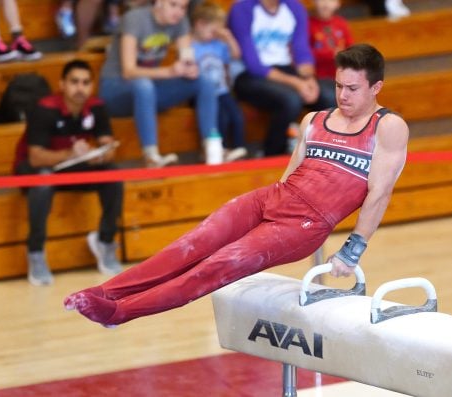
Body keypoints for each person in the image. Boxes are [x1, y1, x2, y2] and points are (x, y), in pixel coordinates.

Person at [64, 44, 409, 327]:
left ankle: (121, 313)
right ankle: (106, 292)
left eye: (352, 89)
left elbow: (379, 193)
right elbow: (290, 176)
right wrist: (272, 204)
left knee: (216, 266)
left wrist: (352, 251)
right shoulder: (314, 120)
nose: (342, 95)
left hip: (304, 224)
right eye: (337, 86)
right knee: (191, 245)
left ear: (376, 86)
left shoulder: (387, 127)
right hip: (273, 199)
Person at [13, 59, 124, 286]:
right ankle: (36, 252)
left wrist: (99, 154)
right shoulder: (44, 109)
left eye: (85, 82)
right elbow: (36, 157)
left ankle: (105, 242)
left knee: (113, 175)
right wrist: (71, 154)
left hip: (73, 166)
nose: (80, 88)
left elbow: (109, 147)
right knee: (43, 182)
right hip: (36, 168)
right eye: (74, 82)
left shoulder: (96, 107)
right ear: (62, 84)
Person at [98, 0, 221, 167]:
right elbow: (129, 71)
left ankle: (212, 148)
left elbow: (187, 57)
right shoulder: (134, 19)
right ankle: (151, 156)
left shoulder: (180, 22)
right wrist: (170, 72)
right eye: (173, 5)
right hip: (115, 91)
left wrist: (190, 68)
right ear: (159, 3)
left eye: (183, 7)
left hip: (148, 91)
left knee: (204, 80)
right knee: (143, 85)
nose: (178, 12)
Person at [228, 0, 336, 157]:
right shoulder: (242, 9)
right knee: (291, 100)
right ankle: (271, 153)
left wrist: (309, 80)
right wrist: (297, 83)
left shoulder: (295, 8)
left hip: (286, 70)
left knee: (329, 94)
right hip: (248, 76)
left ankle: (321, 154)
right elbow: (253, 64)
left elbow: (302, 51)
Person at [190, 2, 247, 162]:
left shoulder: (218, 44)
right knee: (220, 118)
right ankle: (219, 150)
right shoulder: (190, 45)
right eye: (213, 31)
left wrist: (228, 38)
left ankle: (239, 149)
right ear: (200, 24)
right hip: (204, 94)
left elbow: (236, 55)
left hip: (222, 90)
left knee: (237, 116)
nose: (215, 35)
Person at [309, 0, 354, 80]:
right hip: (319, 76)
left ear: (338, 4)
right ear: (313, 2)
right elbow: (306, 53)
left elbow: (351, 47)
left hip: (342, 75)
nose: (326, 3)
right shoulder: (308, 25)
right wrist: (330, 54)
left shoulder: (341, 23)